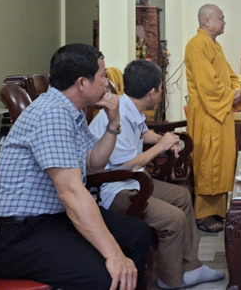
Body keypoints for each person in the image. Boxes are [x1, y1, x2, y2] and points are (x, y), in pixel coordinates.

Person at [0, 43, 152, 290]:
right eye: (102, 76)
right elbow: (71, 192)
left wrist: (113, 122)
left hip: (51, 220)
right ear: (82, 83)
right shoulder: (52, 114)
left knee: (137, 233)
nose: (106, 83)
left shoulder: (71, 111)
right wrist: (114, 254)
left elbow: (94, 164)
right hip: (17, 235)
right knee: (104, 275)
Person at [89, 59, 225, 289]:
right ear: (151, 92)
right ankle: (170, 279)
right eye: (161, 87)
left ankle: (191, 267)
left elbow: (144, 134)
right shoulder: (117, 116)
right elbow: (125, 166)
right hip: (112, 188)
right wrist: (161, 147)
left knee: (182, 196)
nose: (162, 90)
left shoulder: (130, 106)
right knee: (173, 218)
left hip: (132, 180)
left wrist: (165, 139)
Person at [185, 4, 241, 232]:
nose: (224, 22)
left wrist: (237, 89)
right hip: (208, 114)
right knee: (208, 162)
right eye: (221, 18)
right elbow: (208, 85)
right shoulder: (196, 45)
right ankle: (203, 214)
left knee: (222, 161)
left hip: (220, 112)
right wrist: (231, 94)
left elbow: (231, 76)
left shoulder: (215, 46)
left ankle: (218, 210)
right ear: (206, 21)